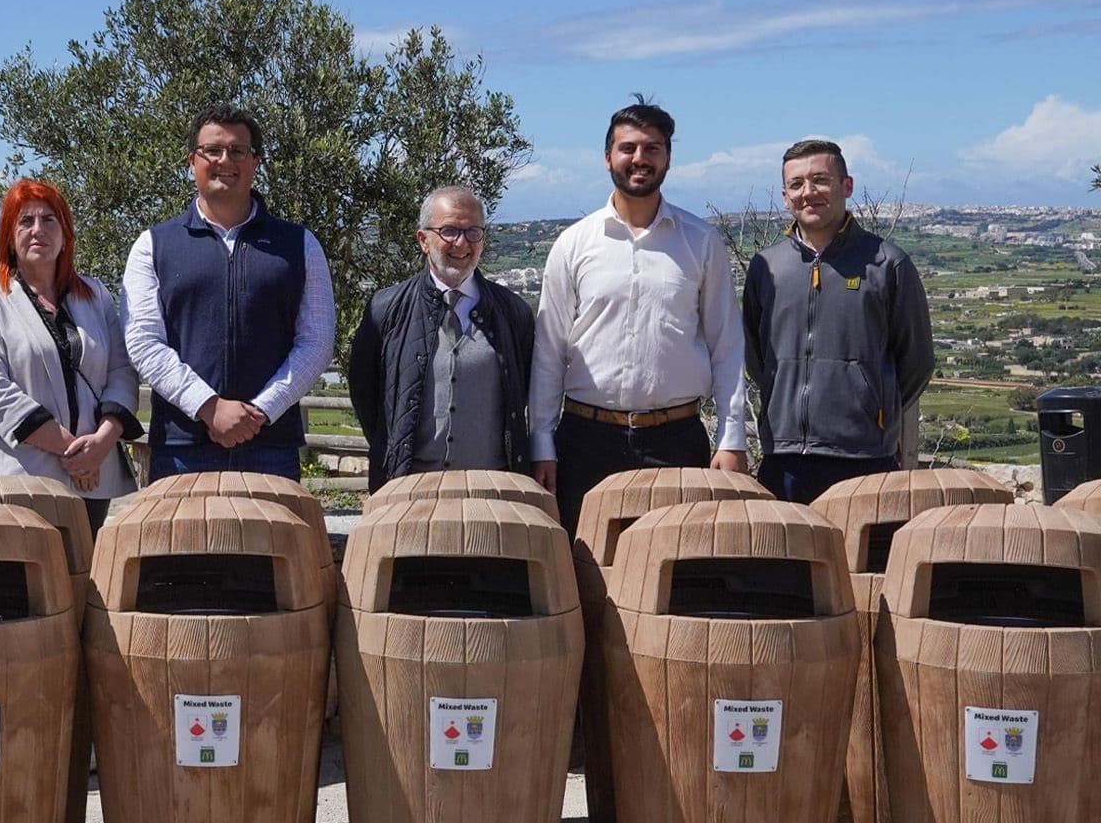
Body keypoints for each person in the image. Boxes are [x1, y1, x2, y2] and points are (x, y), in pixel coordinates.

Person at [528, 100, 749, 532]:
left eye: (652, 148)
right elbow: (549, 350)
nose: (639, 158)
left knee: (676, 560)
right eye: (628, 148)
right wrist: (541, 441)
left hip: (676, 440)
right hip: (585, 440)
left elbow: (727, 345)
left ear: (668, 157)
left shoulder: (702, 242)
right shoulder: (573, 244)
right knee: (583, 559)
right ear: (607, 157)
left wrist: (732, 437)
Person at [121, 104, 334, 481]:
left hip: (271, 446)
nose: (225, 160)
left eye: (238, 151)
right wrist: (207, 406)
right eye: (213, 150)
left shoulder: (300, 245)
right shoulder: (153, 245)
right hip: (182, 448)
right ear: (192, 161)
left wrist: (261, 411)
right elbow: (142, 341)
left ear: (255, 162)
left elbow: (316, 341)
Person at [743, 139, 935, 503]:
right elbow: (755, 356)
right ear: (785, 197)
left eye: (820, 180)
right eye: (796, 184)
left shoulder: (887, 264)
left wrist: (875, 412)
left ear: (846, 186)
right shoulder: (766, 267)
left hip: (865, 458)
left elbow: (917, 360)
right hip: (783, 459)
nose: (808, 192)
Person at [0, 180, 141, 532]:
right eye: (25, 221)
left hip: (93, 477)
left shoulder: (96, 295)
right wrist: (74, 452)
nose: (37, 230)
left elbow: (122, 371)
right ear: (9, 236)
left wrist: (102, 442)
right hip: (21, 478)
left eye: (49, 219)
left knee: (86, 566)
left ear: (65, 233)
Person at [349, 185, 535, 492]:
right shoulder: (385, 309)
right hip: (409, 489)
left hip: (493, 490)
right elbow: (365, 396)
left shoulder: (513, 313)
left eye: (473, 232)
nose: (462, 243)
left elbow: (525, 391)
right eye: (449, 231)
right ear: (423, 240)